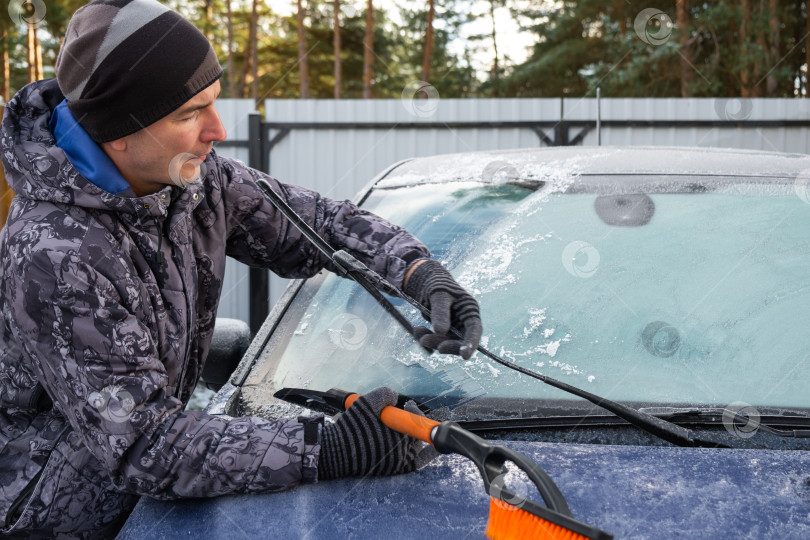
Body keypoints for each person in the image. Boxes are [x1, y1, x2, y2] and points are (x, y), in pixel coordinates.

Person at [0, 1, 482, 538]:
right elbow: (146, 445)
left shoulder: (191, 180)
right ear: (119, 133)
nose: (218, 129)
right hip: (54, 519)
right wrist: (330, 447)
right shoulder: (55, 256)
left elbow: (319, 224)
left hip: (154, 506)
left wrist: (416, 273)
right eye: (189, 114)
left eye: (213, 103)